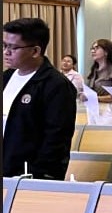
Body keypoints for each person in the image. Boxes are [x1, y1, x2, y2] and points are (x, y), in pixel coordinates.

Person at [2, 17, 77, 180]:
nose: (6, 52)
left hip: (30, 175)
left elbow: (57, 137)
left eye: (13, 47)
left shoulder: (56, 85)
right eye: (4, 45)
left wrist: (38, 175)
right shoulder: (6, 77)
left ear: (35, 51)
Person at [85, 39, 112, 124]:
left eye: (97, 48)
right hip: (93, 109)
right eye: (92, 48)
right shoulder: (94, 70)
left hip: (110, 111)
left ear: (106, 52)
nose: (93, 51)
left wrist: (95, 98)